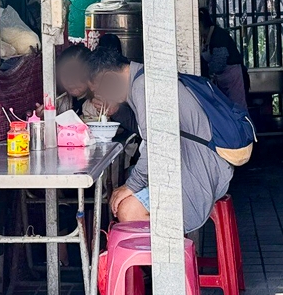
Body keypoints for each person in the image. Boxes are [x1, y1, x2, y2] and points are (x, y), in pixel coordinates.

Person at [88, 43, 230, 233]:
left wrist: (131, 186)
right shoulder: (143, 80)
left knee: (128, 210)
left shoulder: (145, 86)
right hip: (205, 168)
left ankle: (166, 261)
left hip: (199, 174)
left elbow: (158, 145)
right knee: (129, 186)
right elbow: (150, 133)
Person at [199, 8, 248, 110]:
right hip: (222, 80)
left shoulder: (218, 36)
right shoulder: (206, 38)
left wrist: (209, 73)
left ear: (201, 24)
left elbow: (220, 60)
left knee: (237, 109)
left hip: (233, 78)